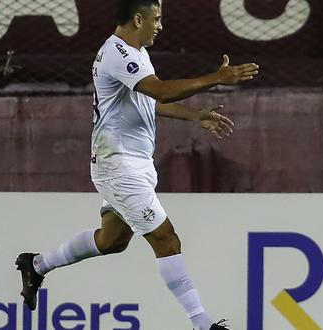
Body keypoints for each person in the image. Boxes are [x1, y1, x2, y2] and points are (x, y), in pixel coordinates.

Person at [15, 1, 259, 329]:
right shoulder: (118, 53)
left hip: (135, 163)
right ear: (138, 18)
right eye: (156, 19)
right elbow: (159, 90)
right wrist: (216, 77)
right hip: (118, 166)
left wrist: (195, 115)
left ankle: (37, 264)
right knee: (166, 239)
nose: (160, 26)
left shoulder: (136, 52)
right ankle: (202, 323)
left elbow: (148, 102)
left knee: (111, 241)